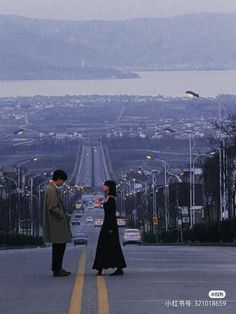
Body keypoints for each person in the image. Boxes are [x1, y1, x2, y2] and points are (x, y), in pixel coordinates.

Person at [93, 180, 127, 276]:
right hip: (107, 225)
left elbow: (111, 215)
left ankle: (118, 267)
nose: (103, 187)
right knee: (103, 246)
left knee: (113, 246)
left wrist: (110, 228)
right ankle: (100, 267)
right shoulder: (108, 198)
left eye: (105, 185)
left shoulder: (111, 199)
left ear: (109, 187)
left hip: (110, 226)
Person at [43, 169, 72, 277]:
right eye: (62, 181)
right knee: (59, 248)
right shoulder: (51, 190)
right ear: (58, 179)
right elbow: (52, 207)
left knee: (59, 247)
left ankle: (58, 268)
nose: (63, 183)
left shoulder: (51, 188)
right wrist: (62, 215)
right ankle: (57, 269)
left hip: (57, 223)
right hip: (57, 224)